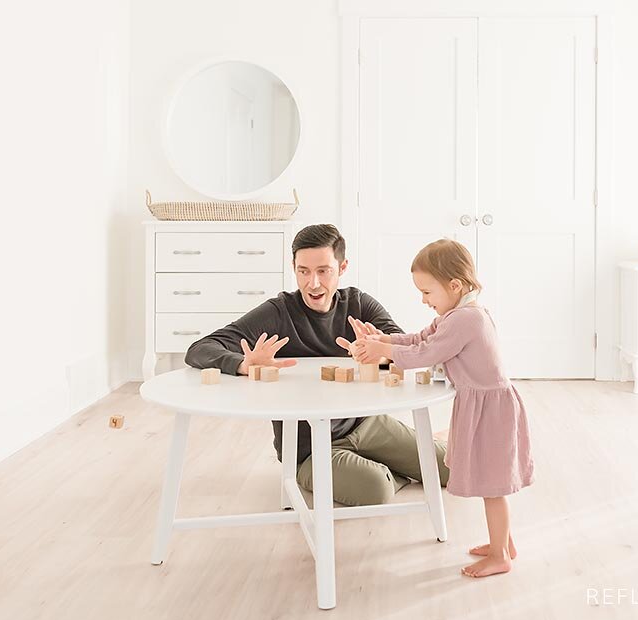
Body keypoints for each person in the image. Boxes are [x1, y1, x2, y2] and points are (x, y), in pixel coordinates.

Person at [185, 224, 449, 506]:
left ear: (342, 267)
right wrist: (244, 364)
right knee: (377, 488)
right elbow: (199, 349)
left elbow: (404, 352)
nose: (313, 283)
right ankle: (383, 471)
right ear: (294, 267)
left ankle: (384, 463)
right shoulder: (278, 312)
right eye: (304, 271)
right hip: (309, 449)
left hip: (367, 424)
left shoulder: (359, 304)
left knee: (449, 468)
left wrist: (382, 353)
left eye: (323, 271)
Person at [355, 238, 534, 577]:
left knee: (493, 488)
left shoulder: (466, 319)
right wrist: (385, 340)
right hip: (484, 406)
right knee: (490, 482)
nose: (423, 300)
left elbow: (427, 353)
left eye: (427, 292)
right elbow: (420, 339)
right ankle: (503, 544)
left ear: (454, 285)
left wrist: (383, 351)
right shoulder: (456, 314)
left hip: (491, 412)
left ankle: (500, 556)